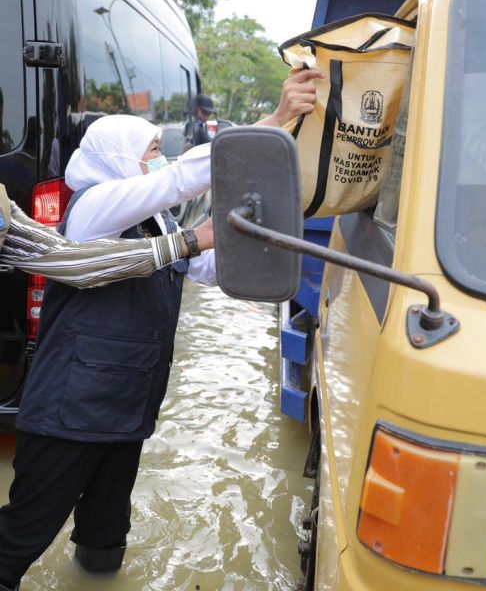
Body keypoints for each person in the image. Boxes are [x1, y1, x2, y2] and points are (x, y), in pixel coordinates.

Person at [0, 66, 323, 591]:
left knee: (105, 541)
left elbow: (207, 271)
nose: (160, 160)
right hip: (70, 412)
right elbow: (177, 182)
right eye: (150, 151)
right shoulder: (92, 209)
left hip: (127, 407)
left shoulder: (161, 224)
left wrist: (268, 247)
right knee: (22, 536)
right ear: (119, 158)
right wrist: (277, 119)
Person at [0, 185, 213, 287]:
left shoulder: (3, 207)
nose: (161, 159)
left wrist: (187, 242)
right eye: (155, 148)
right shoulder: (98, 204)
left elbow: (71, 261)